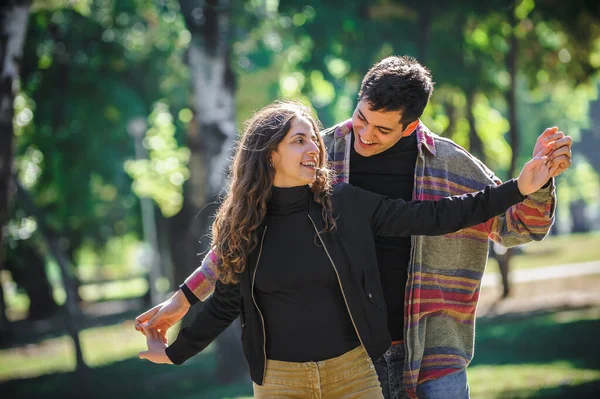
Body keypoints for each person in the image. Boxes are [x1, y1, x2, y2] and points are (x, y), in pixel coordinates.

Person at [136, 57, 572, 399]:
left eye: (382, 129)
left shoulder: (452, 165)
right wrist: (186, 296)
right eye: (361, 117)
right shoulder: (317, 155)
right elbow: (244, 238)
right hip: (354, 351)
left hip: (432, 347)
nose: (364, 133)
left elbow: (515, 227)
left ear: (411, 125)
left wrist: (534, 184)